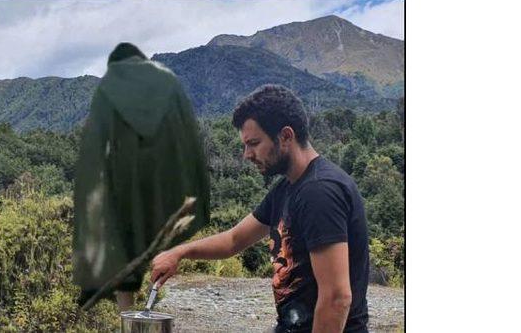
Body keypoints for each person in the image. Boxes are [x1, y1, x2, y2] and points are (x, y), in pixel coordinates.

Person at [150, 85, 371, 333]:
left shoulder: (319, 192)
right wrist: (179, 252)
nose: (247, 155)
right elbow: (234, 240)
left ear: (286, 136)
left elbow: (336, 299)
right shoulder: (288, 188)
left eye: (254, 143)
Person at [73, 42, 210, 312]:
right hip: (167, 180)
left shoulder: (110, 85)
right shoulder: (169, 83)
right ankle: (157, 308)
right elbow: (189, 138)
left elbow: (95, 146)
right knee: (163, 240)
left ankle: (129, 319)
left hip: (124, 181)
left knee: (124, 248)